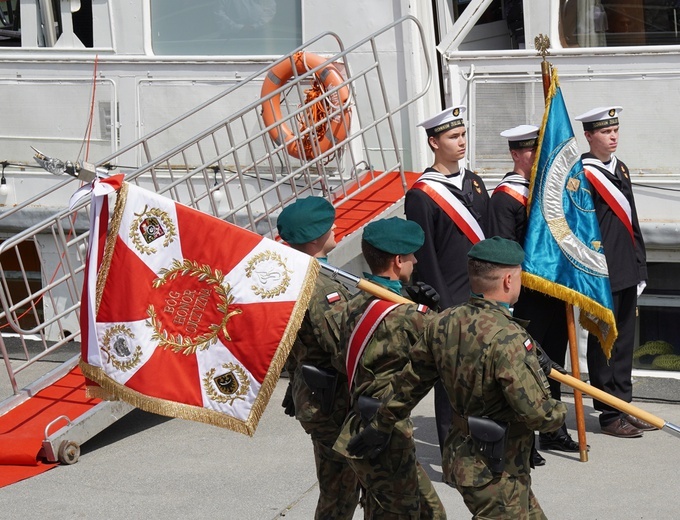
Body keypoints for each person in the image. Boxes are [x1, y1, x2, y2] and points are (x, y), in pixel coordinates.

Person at [349, 236, 567, 519]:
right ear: (509, 281)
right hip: (496, 468)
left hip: (466, 458)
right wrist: (558, 409)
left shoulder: (443, 322)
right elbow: (539, 416)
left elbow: (410, 384)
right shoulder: (508, 337)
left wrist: (381, 424)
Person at [333, 217, 446, 519]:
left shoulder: (353, 304)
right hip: (386, 429)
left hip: (363, 419)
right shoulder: (409, 317)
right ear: (398, 261)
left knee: (415, 510)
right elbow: (453, 343)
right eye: (410, 256)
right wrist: (425, 310)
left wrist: (411, 301)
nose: (416, 260)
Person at [489, 125, 579, 461]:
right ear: (515, 154)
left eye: (538, 150)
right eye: (529, 151)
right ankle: (522, 441)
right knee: (524, 370)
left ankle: (554, 430)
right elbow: (501, 254)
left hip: (553, 292)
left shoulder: (547, 192)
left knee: (552, 364)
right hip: (524, 297)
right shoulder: (504, 197)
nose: (535, 157)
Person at [405, 105, 490, 453]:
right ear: (433, 142)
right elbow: (425, 260)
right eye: (453, 136)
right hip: (450, 302)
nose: (461, 142)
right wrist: (441, 306)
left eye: (463, 134)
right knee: (452, 382)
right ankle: (453, 454)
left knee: (484, 378)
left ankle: (482, 446)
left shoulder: (475, 182)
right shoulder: (422, 195)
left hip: (483, 298)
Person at [277, 196, 360, 520]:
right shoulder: (321, 286)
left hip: (314, 391)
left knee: (340, 485)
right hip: (331, 399)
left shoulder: (291, 274)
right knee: (339, 491)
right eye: (329, 225)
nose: (335, 227)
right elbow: (341, 347)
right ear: (315, 238)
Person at [574, 106, 655, 438]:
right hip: (601, 271)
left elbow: (632, 219)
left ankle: (625, 405)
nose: (613, 136)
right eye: (606, 132)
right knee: (603, 343)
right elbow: (577, 229)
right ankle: (608, 414)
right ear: (589, 136)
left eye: (616, 130)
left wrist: (641, 266)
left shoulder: (619, 167)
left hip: (626, 268)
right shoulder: (582, 173)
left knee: (623, 344)